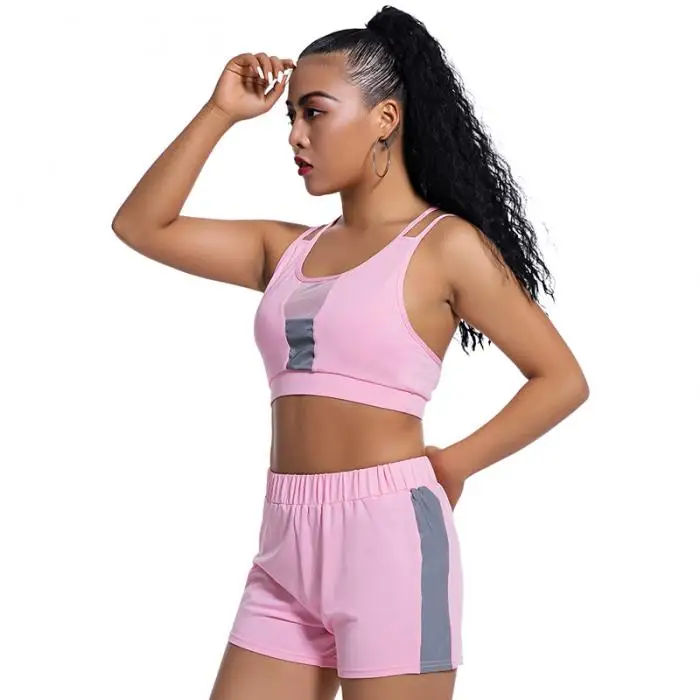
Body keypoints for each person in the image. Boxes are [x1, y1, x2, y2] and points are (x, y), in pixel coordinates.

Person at [112, 6, 589, 700]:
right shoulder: (285, 249)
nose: (295, 135)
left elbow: (561, 378)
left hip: (390, 540)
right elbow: (140, 225)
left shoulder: (445, 246)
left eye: (314, 112)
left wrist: (455, 463)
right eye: (291, 118)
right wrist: (220, 112)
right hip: (284, 542)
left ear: (385, 118)